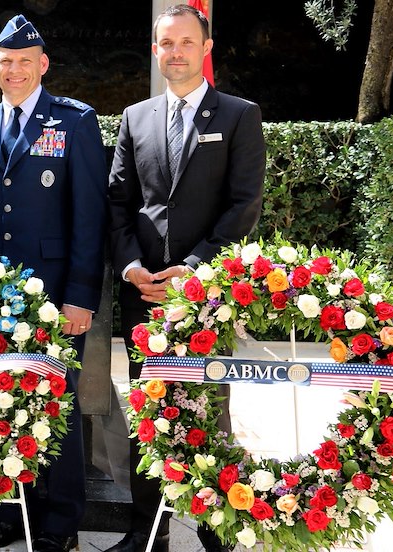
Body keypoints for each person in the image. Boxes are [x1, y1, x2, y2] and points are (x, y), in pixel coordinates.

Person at [106, 5, 265, 552]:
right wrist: (131, 268)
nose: (174, 52)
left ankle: (214, 525)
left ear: (205, 47)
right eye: (165, 43)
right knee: (147, 413)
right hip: (144, 291)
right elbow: (119, 203)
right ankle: (145, 532)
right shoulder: (135, 117)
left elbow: (243, 207)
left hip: (206, 297)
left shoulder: (239, 115)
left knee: (207, 412)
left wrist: (195, 270)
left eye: (185, 42)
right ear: (156, 49)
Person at [0, 14, 109, 552]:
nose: (16, 70)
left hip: (54, 295)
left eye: (26, 61)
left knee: (57, 408)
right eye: (7, 61)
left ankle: (59, 522)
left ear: (43, 65)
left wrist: (80, 295)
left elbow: (89, 217)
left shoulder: (74, 121)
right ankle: (8, 513)